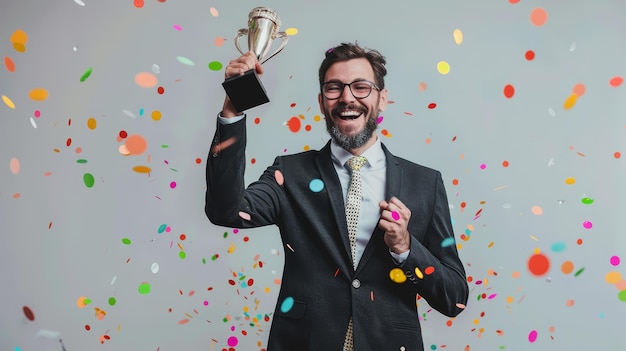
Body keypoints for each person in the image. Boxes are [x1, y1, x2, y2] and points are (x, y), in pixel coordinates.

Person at [206, 42, 469, 351]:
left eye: (361, 87)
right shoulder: (290, 174)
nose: (347, 98)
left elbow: (455, 298)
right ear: (321, 102)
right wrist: (233, 108)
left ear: (382, 99)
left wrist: (406, 248)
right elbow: (227, 210)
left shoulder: (424, 183)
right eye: (334, 88)